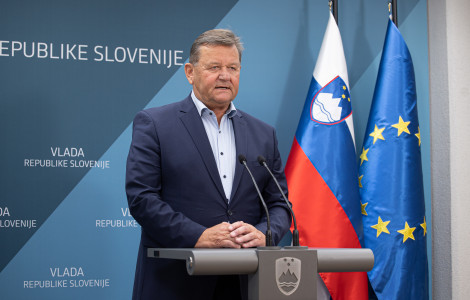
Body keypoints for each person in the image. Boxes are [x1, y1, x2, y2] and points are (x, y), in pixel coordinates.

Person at [125, 29, 291, 300]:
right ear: (190, 72)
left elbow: (280, 204)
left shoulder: (264, 133)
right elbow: (142, 199)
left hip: (247, 282)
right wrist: (197, 236)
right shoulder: (155, 124)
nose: (225, 75)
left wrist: (264, 234)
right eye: (214, 67)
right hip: (177, 281)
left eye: (232, 67)